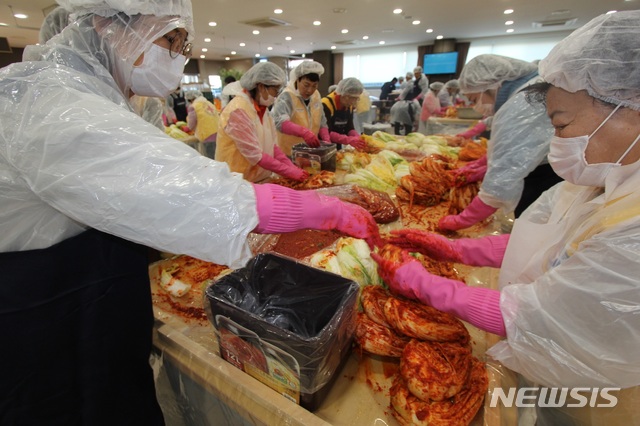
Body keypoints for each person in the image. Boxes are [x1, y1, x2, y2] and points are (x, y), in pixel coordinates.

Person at [0, 0, 381, 423]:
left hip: (92, 302)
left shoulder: (92, 92)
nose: (178, 57)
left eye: (184, 44)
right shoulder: (46, 99)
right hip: (43, 319)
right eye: (171, 39)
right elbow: (171, 183)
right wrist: (314, 207)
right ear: (112, 25)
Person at [374, 10, 640, 425]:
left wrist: (427, 285)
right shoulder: (603, 179)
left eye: (562, 123)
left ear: (629, 105)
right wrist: (455, 249)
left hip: (603, 395)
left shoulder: (634, 230)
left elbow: (536, 315)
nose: (555, 141)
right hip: (557, 367)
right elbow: (543, 242)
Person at [438, 54, 562, 230]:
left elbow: (498, 186)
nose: (476, 106)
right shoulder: (526, 90)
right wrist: (482, 165)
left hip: (544, 179)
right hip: (547, 173)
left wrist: (461, 220)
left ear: (491, 86)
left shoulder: (521, 105)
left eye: (474, 99)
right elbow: (510, 147)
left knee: (531, 235)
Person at [215, 62, 309, 182]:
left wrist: (289, 165)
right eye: (275, 90)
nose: (276, 96)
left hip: (258, 179)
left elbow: (272, 146)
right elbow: (255, 155)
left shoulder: (263, 110)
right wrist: (288, 171)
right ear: (260, 87)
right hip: (237, 182)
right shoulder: (238, 111)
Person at [271, 61, 330, 156]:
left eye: (314, 86)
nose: (310, 90)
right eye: (306, 85)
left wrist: (326, 140)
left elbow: (322, 121)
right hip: (288, 153)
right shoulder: (287, 96)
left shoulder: (316, 95)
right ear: (297, 80)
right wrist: (304, 133)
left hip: (309, 152)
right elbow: (280, 122)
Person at [321, 77, 367, 150]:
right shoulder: (326, 104)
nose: (353, 102)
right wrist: (348, 140)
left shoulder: (349, 105)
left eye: (356, 98)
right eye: (352, 98)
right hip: (324, 145)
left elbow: (349, 127)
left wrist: (357, 137)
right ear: (343, 94)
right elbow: (326, 132)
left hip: (338, 145)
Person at [186, 90, 219, 158]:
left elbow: (191, 123)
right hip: (218, 132)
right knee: (217, 156)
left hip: (206, 134)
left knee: (210, 157)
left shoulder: (194, 106)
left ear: (192, 99)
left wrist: (188, 128)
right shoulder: (209, 103)